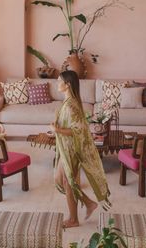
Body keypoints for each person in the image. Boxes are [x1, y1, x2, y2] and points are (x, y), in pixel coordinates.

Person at [50, 70, 110, 229]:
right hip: (66, 148)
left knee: (67, 182)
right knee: (60, 180)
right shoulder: (67, 102)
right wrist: (58, 127)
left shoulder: (72, 106)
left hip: (72, 149)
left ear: (67, 84)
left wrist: (58, 131)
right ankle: (88, 202)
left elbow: (79, 131)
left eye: (59, 81)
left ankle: (73, 219)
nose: (57, 83)